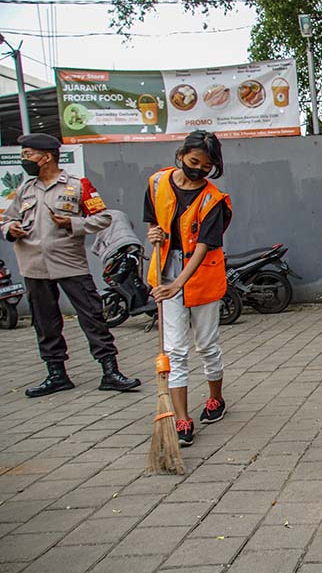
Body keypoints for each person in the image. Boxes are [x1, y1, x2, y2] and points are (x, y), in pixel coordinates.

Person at [0, 133, 141, 398]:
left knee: (92, 317)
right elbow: (6, 220)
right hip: (33, 266)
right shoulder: (25, 190)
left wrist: (73, 224)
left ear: (47, 156)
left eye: (28, 154)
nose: (25, 159)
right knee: (45, 322)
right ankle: (56, 374)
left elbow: (103, 218)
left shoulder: (78, 186)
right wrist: (12, 229)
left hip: (70, 265)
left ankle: (110, 371)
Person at [144, 130, 232, 447]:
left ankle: (216, 399)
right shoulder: (156, 183)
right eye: (194, 162)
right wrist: (153, 234)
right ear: (181, 154)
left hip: (202, 274)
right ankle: (181, 418)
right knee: (175, 351)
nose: (198, 170)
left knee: (206, 344)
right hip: (167, 270)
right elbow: (153, 222)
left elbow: (204, 247)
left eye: (206, 167)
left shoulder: (213, 199)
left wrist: (177, 285)